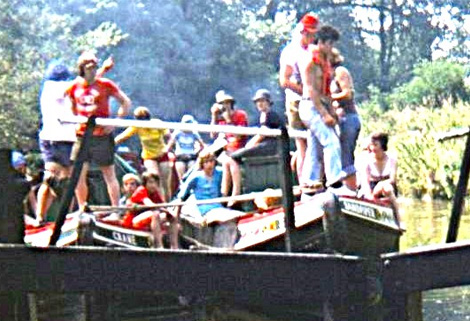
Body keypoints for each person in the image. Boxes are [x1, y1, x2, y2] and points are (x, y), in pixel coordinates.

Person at [66, 51, 131, 208]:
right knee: (78, 173)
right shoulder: (74, 86)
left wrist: (115, 122)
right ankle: (83, 207)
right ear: (82, 69)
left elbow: (125, 102)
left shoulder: (105, 85)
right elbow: (72, 105)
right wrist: (75, 122)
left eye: (95, 67)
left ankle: (115, 209)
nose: (92, 71)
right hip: (82, 135)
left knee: (109, 173)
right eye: (89, 68)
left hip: (102, 136)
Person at [298, 25, 343, 190]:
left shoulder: (325, 62)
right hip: (310, 106)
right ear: (322, 43)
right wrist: (324, 114)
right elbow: (311, 90)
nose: (332, 48)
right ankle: (335, 181)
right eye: (330, 43)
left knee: (314, 147)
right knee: (331, 141)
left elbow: (326, 91)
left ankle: (310, 183)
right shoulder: (310, 61)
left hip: (321, 104)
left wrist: (332, 111)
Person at [279, 12, 320, 182]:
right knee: (302, 144)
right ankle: (304, 185)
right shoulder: (291, 51)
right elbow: (285, 80)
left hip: (314, 102)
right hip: (297, 102)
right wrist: (305, 91)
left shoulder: (312, 51)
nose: (312, 37)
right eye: (309, 33)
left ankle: (318, 182)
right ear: (302, 32)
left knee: (316, 143)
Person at [175, 151, 243, 248]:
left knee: (236, 217)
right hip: (205, 208)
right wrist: (176, 219)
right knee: (227, 218)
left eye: (211, 161)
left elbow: (229, 168)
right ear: (202, 164)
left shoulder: (218, 172)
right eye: (206, 162)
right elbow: (181, 197)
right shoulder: (196, 177)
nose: (209, 164)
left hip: (218, 205)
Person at [227, 89, 283, 205]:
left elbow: (263, 133)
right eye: (258, 102)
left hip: (272, 147)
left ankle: (236, 193)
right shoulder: (263, 116)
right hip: (268, 146)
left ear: (268, 102)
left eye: (262, 101)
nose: (260, 104)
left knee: (233, 157)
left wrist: (250, 145)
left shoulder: (270, 115)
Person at [114, 106, 174, 202]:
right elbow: (122, 137)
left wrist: (167, 148)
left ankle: (168, 204)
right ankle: (159, 203)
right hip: (149, 156)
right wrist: (109, 143)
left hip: (162, 155)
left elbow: (170, 137)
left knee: (165, 183)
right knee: (155, 180)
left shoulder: (157, 123)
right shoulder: (137, 126)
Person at [330, 48, 361, 191]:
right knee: (340, 155)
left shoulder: (340, 71)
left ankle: (352, 191)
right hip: (339, 119)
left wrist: (328, 98)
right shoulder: (327, 75)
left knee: (346, 156)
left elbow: (347, 94)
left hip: (348, 118)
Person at [209, 90, 248, 200]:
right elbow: (213, 135)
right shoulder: (219, 118)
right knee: (226, 160)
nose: (224, 106)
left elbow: (240, 136)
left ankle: (231, 194)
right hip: (224, 151)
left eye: (226, 103)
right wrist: (214, 116)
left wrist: (229, 121)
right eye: (221, 104)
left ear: (231, 103)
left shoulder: (240, 115)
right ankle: (225, 195)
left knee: (228, 162)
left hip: (238, 148)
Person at [124, 171, 179, 249]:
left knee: (172, 217)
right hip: (133, 222)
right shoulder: (141, 190)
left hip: (147, 219)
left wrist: (170, 214)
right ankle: (159, 245)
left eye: (155, 183)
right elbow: (150, 204)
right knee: (156, 214)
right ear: (145, 183)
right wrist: (164, 210)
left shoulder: (155, 193)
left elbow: (163, 206)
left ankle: (174, 246)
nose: (153, 185)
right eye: (150, 182)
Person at [165, 114, 205, 181]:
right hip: (180, 157)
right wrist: (172, 154)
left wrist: (197, 152)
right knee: (182, 178)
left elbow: (202, 146)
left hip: (191, 157)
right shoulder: (177, 133)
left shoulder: (194, 133)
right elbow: (169, 146)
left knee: (191, 177)